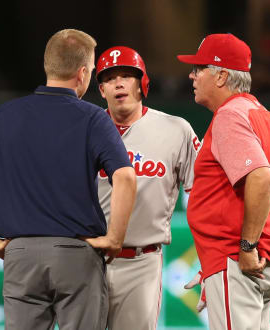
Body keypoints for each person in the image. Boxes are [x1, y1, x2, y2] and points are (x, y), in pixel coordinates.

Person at [0, 29, 136, 330]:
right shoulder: (92, 117)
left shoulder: (3, 116)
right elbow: (125, 177)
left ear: (48, 66)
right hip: (76, 254)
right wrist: (114, 238)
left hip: (20, 254)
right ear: (83, 73)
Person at [177, 33, 270, 329]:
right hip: (250, 262)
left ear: (221, 76)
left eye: (200, 68)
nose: (192, 75)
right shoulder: (260, 114)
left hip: (237, 261)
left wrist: (247, 246)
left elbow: (261, 176)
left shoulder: (231, 116)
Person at [95, 46, 199, 330]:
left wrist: (214, 253)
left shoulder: (175, 129)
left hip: (141, 262)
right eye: (110, 77)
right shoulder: (85, 129)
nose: (118, 83)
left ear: (142, 84)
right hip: (87, 259)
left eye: (127, 76)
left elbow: (203, 196)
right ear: (101, 89)